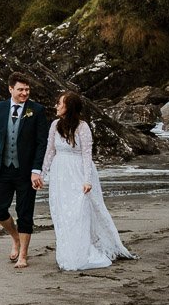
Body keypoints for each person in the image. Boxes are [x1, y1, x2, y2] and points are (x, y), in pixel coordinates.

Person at [40, 90, 134, 271]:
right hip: (60, 175)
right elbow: (50, 151)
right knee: (63, 214)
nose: (56, 106)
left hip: (78, 173)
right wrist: (42, 175)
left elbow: (86, 155)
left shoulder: (83, 127)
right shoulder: (54, 125)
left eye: (60, 103)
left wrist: (87, 180)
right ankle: (68, 252)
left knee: (80, 212)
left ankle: (84, 251)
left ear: (69, 107)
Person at [0, 72, 49, 269]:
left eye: (27, 89)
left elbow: (41, 143)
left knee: (25, 213)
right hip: (1, 168)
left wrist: (37, 170)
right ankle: (15, 238)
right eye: (20, 89)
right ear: (11, 89)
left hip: (26, 171)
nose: (24, 93)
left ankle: (23, 255)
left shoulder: (37, 110)